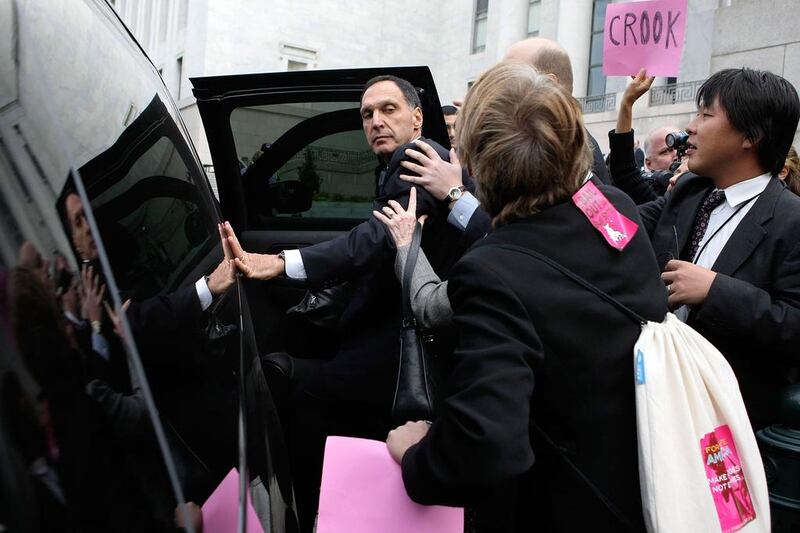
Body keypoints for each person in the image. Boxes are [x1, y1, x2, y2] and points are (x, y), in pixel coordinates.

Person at [384, 61, 667, 532]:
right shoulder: (615, 209)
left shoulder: (492, 272)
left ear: (472, 166)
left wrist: (416, 454)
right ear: (576, 145)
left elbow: (482, 446)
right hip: (643, 485)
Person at [224, 74, 468, 532]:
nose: (376, 121)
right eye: (367, 114)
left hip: (406, 346)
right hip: (394, 327)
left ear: (417, 117)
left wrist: (277, 264)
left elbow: (373, 242)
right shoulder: (409, 160)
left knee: (283, 377)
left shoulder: (417, 158)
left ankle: (300, 509)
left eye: (388, 110)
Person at [622, 68, 800, 430]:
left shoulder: (791, 220)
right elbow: (624, 223)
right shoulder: (690, 189)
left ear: (750, 136)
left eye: (706, 115)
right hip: (652, 395)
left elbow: (794, 325)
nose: (691, 127)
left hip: (723, 422)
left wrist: (716, 290)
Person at [608, 70, 689, 202]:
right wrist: (627, 103)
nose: (676, 155)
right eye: (666, 151)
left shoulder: (704, 193)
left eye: (682, 147)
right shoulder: (653, 202)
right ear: (648, 163)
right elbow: (624, 172)